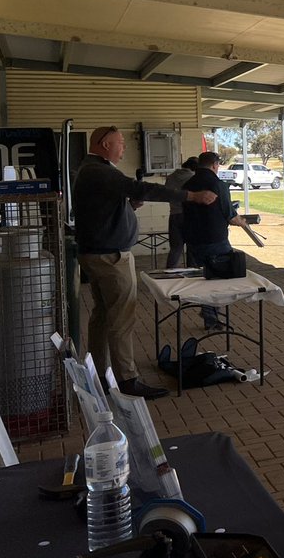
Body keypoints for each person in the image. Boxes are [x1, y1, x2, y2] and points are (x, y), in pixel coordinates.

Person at [74, 125, 217, 399]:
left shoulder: (92, 171)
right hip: (110, 257)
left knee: (103, 315)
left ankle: (97, 374)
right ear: (105, 144)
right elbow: (141, 188)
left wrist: (129, 206)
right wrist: (192, 196)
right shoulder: (99, 171)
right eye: (120, 143)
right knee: (122, 318)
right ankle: (127, 380)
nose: (123, 148)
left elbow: (109, 208)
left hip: (101, 253)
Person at [182, 152, 249, 329]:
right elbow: (230, 215)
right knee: (223, 276)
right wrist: (241, 222)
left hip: (193, 238)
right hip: (215, 238)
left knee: (204, 278)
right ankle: (211, 313)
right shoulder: (218, 185)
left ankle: (208, 311)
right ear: (214, 165)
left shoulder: (187, 184)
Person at [164, 156, 199, 268]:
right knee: (192, 247)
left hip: (174, 214)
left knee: (175, 249)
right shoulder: (193, 178)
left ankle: (169, 274)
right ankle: (192, 273)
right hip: (189, 215)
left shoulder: (170, 177)